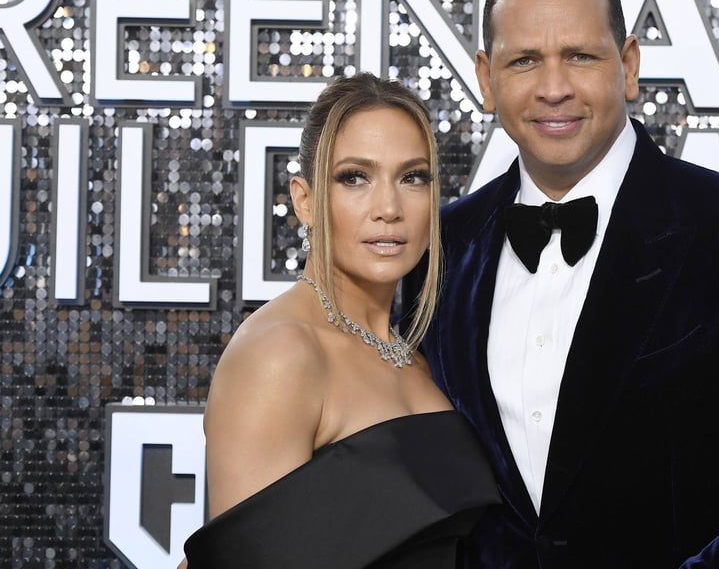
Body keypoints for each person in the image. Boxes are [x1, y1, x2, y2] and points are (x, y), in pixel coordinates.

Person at [409, 0, 719, 567]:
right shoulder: (440, 247)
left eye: (580, 56)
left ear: (627, 66)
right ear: (487, 80)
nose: (553, 88)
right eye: (525, 61)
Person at [183, 73, 499, 569]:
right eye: (355, 177)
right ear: (304, 200)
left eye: (412, 177)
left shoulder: (417, 355)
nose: (389, 208)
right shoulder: (282, 354)